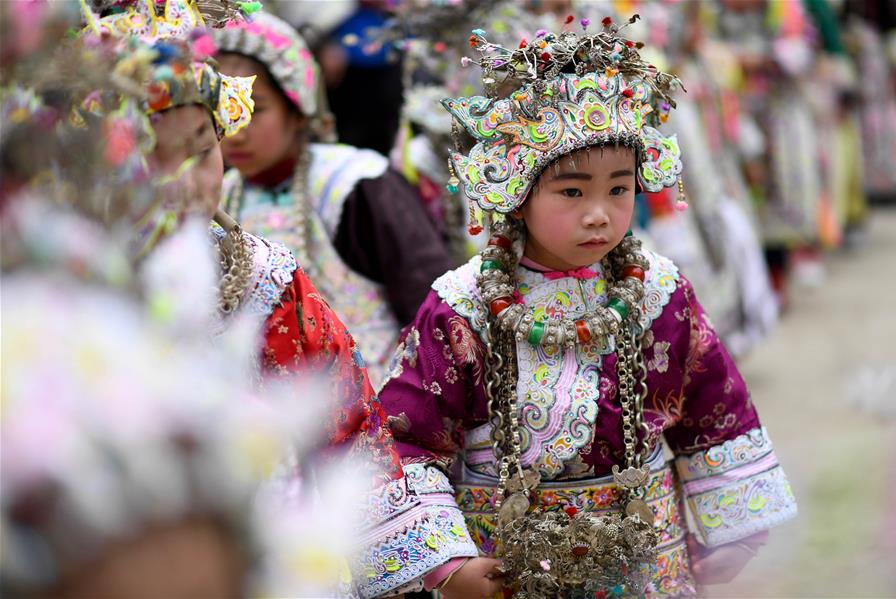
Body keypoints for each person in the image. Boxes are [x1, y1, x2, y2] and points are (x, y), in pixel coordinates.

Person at [6, 2, 477, 595]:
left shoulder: (264, 280)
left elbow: (349, 430)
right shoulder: (42, 302)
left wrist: (414, 563)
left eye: (200, 148)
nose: (183, 182)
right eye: (149, 157)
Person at [378, 15, 798, 598]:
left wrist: (733, 529)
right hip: (502, 564)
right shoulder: (461, 307)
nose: (599, 212)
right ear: (518, 192)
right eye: (573, 191)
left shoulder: (657, 292)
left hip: (646, 557)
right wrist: (445, 563)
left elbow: (714, 406)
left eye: (619, 189)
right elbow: (407, 438)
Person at [213, 12, 454, 386]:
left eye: (255, 109)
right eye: (223, 112)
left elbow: (432, 309)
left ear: (297, 108)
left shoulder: (353, 184)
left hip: (386, 409)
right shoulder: (221, 200)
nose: (236, 132)